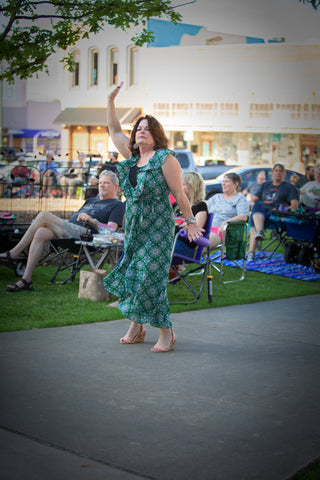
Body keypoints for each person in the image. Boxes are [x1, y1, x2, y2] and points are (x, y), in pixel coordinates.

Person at [103, 82, 203, 353]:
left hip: (158, 226)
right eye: (138, 128)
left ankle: (167, 332)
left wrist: (191, 221)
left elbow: (180, 194)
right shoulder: (132, 156)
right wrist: (110, 100)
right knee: (135, 275)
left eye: (147, 129)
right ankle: (137, 328)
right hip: (134, 225)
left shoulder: (164, 158)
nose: (141, 132)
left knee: (151, 278)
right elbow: (113, 129)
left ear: (157, 135)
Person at [0, 170, 125, 292]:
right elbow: (72, 220)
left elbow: (111, 230)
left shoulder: (117, 205)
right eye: (100, 183)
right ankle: (26, 280)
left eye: (106, 183)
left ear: (115, 186)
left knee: (44, 215)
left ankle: (14, 253)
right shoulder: (90, 201)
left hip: (85, 234)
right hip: (69, 231)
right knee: (40, 232)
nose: (101, 185)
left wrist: (93, 221)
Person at [247, 163, 299, 261]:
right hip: (262, 211)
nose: (278, 173)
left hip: (276, 214)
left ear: (284, 174)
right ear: (272, 173)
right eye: (276, 170)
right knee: (257, 206)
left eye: (281, 171)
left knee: (255, 217)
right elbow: (253, 200)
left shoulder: (289, 187)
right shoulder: (265, 185)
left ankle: (251, 252)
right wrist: (252, 203)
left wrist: (283, 210)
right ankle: (260, 232)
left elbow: (295, 205)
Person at [207, 172, 250, 250]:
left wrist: (226, 222)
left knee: (202, 243)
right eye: (223, 181)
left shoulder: (240, 199)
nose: (223, 184)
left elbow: (243, 216)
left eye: (226, 181)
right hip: (206, 228)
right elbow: (204, 208)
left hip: (223, 231)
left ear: (235, 184)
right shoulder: (216, 197)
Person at [172, 171, 208, 258]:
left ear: (193, 187)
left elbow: (196, 228)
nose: (179, 187)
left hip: (184, 245)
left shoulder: (200, 206)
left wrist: (187, 225)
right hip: (170, 242)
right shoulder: (176, 205)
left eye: (183, 184)